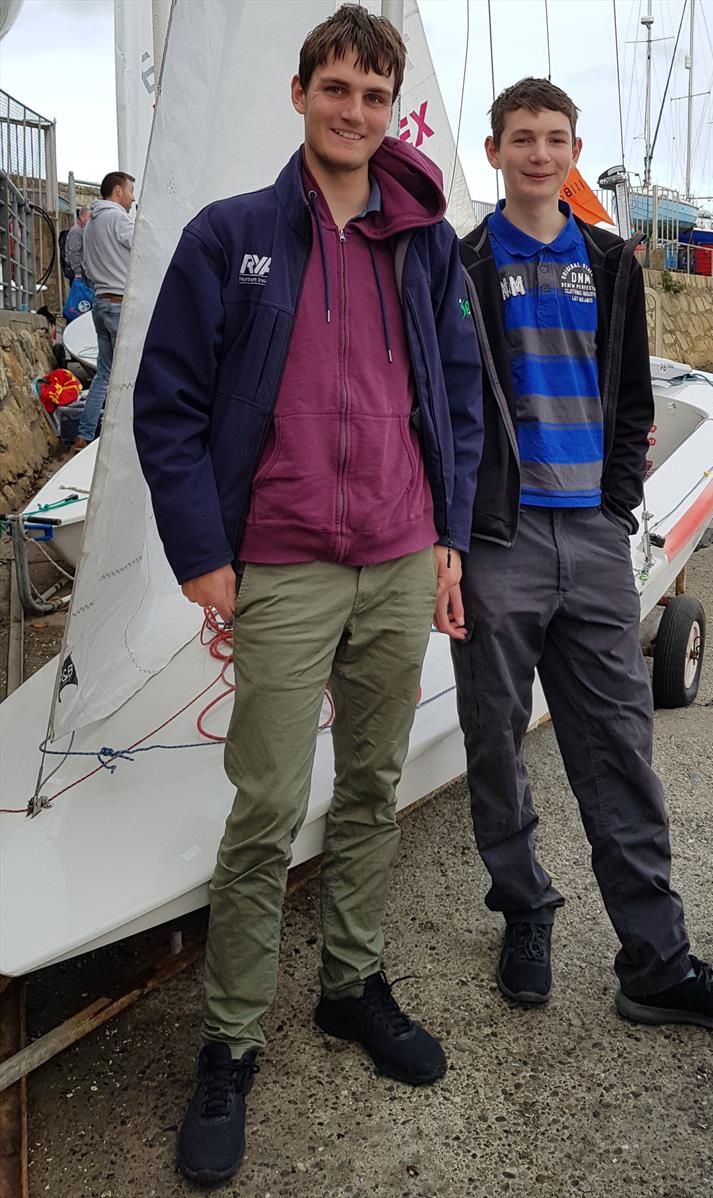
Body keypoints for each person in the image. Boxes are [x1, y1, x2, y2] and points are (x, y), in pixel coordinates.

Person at [133, 6, 482, 1187]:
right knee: (266, 806)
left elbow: (455, 401)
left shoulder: (423, 240)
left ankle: (350, 984)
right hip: (278, 562)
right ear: (299, 95)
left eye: (374, 97)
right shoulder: (231, 234)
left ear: (393, 112)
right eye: (335, 89)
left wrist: (444, 537)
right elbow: (167, 403)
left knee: (376, 785)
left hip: (396, 559)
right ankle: (230, 1042)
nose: (354, 111)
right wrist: (197, 551)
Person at [452, 78, 713, 1035]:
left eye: (555, 139)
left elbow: (632, 395)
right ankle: (523, 907)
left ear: (574, 149)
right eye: (522, 139)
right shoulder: (462, 262)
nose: (539, 154)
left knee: (621, 749)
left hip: (590, 538)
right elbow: (452, 410)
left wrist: (613, 510)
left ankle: (657, 960)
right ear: (494, 151)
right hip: (500, 541)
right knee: (493, 740)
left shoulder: (609, 256)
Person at [73, 172, 135, 449]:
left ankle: (84, 435)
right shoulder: (119, 218)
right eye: (130, 190)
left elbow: (86, 266)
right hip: (120, 303)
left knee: (105, 373)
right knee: (134, 371)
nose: (133, 197)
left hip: (100, 302)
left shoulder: (91, 224)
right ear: (118, 190)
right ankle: (126, 438)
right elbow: (143, 245)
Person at [61, 206, 90, 283]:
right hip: (78, 271)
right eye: (88, 217)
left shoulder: (81, 230)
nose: (90, 220)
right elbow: (74, 251)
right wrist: (77, 272)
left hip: (80, 268)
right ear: (82, 217)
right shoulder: (76, 231)